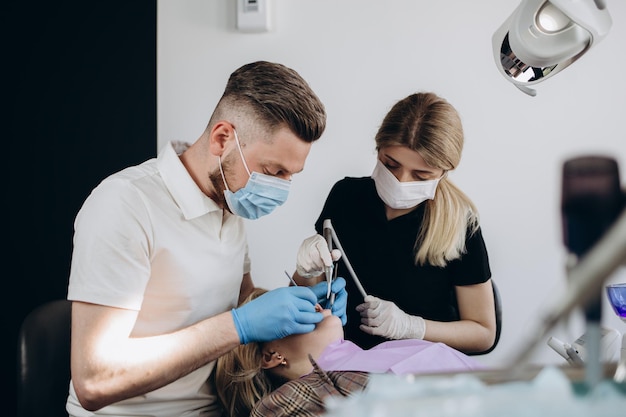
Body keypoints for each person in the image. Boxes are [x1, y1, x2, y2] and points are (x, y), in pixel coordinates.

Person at [65, 61, 347, 417]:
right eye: (274, 171)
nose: (281, 188)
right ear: (222, 139)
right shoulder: (125, 205)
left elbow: (243, 301)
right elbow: (94, 381)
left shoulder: (229, 204)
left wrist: (305, 288)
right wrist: (239, 326)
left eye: (290, 175)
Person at [294, 92, 496, 354]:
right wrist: (305, 272)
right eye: (391, 165)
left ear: (444, 173)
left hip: (418, 369)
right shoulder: (345, 197)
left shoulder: (460, 224)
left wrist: (413, 327)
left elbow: (483, 333)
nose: (402, 181)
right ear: (378, 150)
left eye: (422, 175)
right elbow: (307, 301)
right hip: (346, 359)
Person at [215, 287, 484, 417]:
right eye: (292, 313)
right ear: (271, 356)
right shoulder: (283, 404)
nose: (313, 305)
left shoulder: (375, 353)